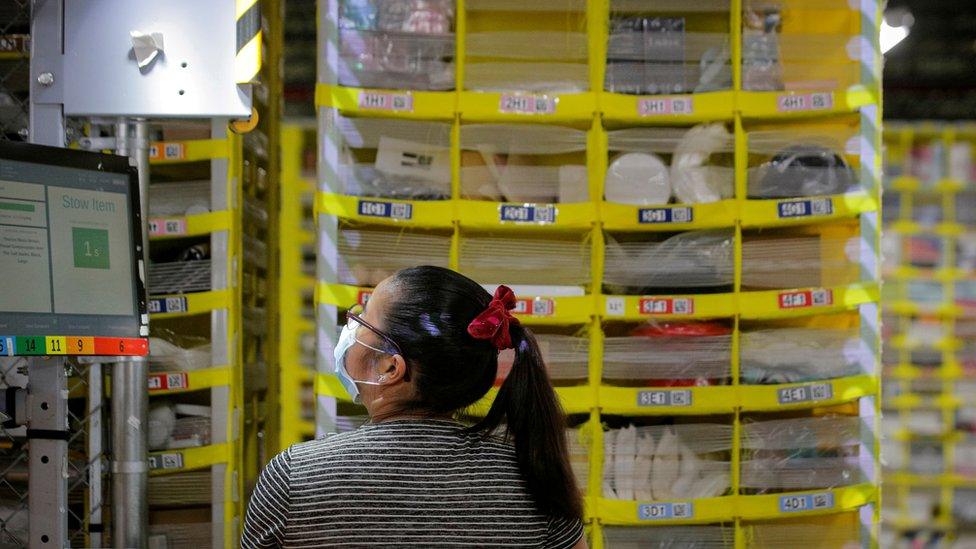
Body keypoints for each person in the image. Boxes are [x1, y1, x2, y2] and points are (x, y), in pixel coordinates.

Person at [242, 265, 586, 548]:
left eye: (361, 321)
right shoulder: (537, 478)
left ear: (391, 367)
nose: (349, 328)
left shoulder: (294, 478)